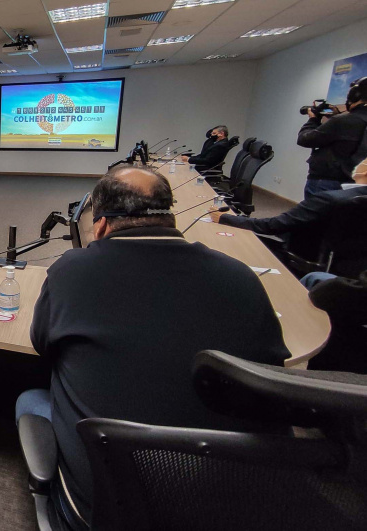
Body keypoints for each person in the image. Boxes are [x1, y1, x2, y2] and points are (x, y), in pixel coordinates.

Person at [19, 166, 290, 524]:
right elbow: (270, 372)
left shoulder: (72, 269)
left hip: (103, 508)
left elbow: (42, 344)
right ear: (170, 215)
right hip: (229, 497)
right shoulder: (238, 274)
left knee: (30, 399)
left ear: (99, 224)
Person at [210, 159, 367, 261]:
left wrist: (226, 218)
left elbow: (274, 225)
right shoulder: (352, 199)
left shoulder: (329, 199)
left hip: (298, 258)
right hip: (344, 267)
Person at [298, 76, 367, 199]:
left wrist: (313, 119)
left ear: (354, 96)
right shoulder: (347, 120)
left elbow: (304, 139)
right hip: (356, 185)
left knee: (315, 217)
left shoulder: (343, 121)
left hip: (327, 181)